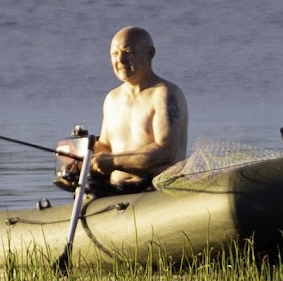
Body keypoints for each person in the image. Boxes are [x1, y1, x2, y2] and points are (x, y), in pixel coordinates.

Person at [58, 26, 189, 194]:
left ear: (150, 53)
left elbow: (166, 151)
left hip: (155, 189)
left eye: (128, 52)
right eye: (114, 54)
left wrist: (113, 162)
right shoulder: (112, 98)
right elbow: (106, 145)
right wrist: (79, 162)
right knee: (88, 188)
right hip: (117, 188)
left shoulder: (165, 93)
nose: (120, 60)